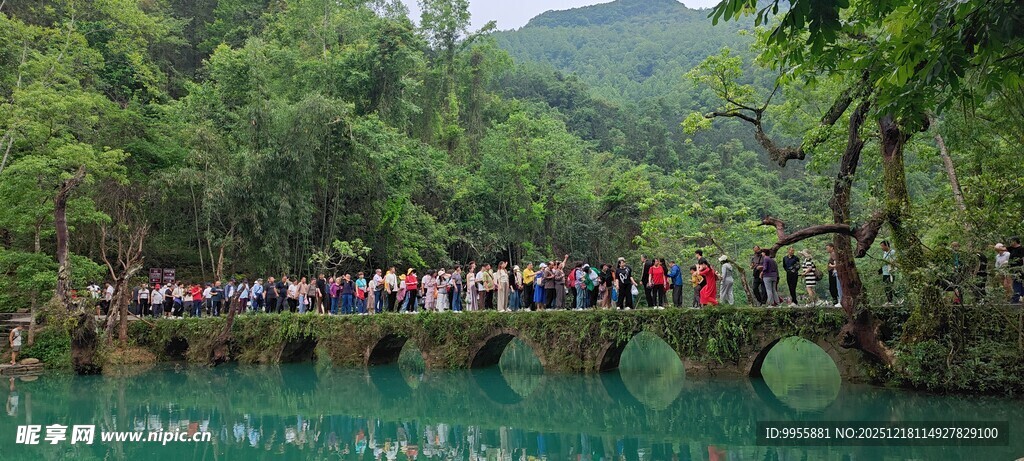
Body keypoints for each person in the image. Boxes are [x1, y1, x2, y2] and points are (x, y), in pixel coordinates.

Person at [880, 241, 896, 305]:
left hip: (890, 273)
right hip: (885, 272)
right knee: (886, 287)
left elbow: (893, 262)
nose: (881, 248)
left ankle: (891, 301)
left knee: (889, 287)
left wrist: (886, 262)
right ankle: (889, 301)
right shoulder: (884, 253)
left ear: (886, 245)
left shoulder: (892, 252)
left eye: (882, 246)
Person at [1008, 237, 1023, 304]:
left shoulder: (1021, 249)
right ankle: (1019, 297)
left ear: (1015, 242)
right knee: (1018, 283)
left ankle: (1015, 300)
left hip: (1019, 270)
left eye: (1011, 241)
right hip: (1013, 270)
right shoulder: (1012, 249)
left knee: (1016, 284)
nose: (1010, 242)